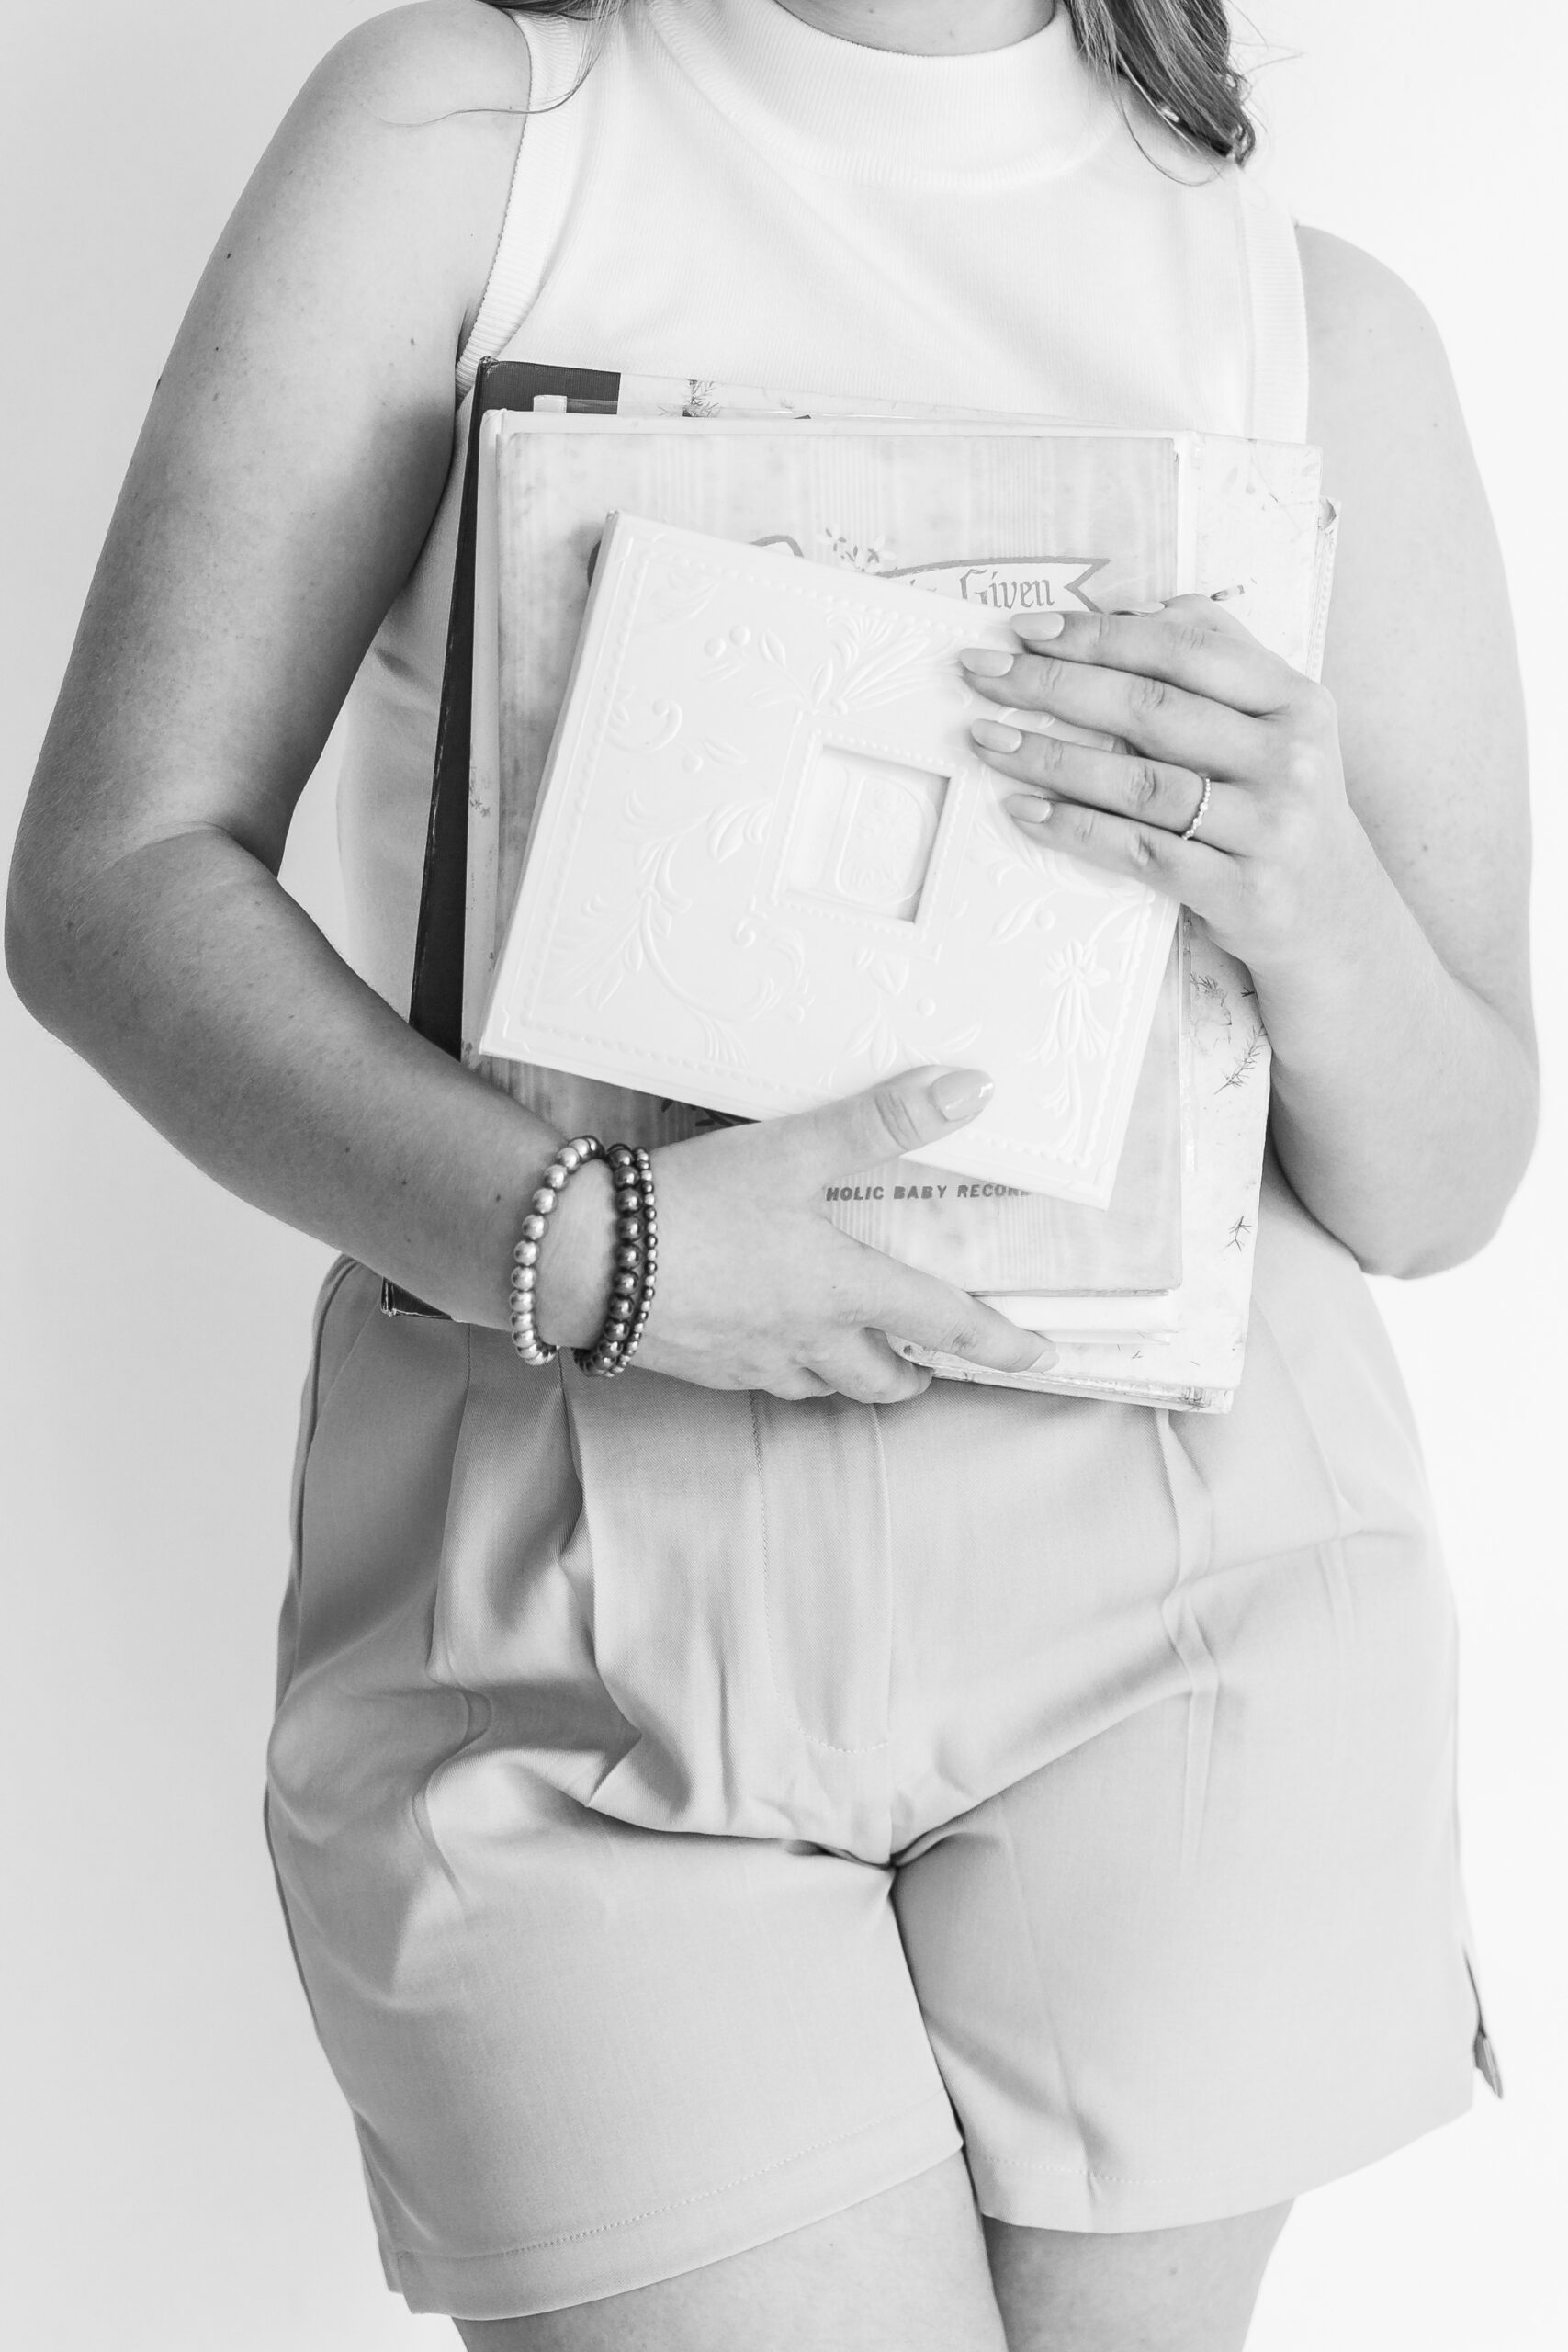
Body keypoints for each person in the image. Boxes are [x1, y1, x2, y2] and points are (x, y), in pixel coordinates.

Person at [5, 1, 1535, 2346]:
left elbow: (1441, 1179)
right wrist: (604, 1252)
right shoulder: (467, 140)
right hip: (569, 1605)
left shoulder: (1310, 318)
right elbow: (112, 881)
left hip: (1191, 1601)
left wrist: (1300, 877)